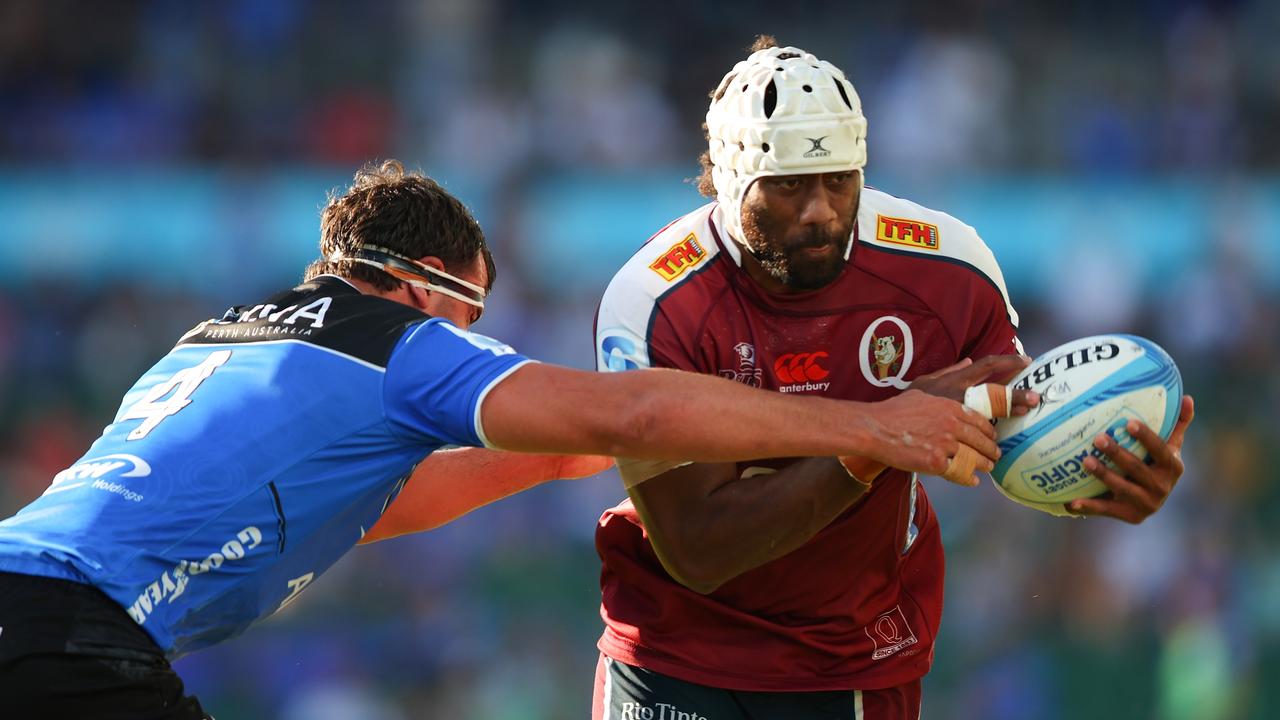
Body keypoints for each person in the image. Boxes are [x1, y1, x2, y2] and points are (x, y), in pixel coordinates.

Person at [0, 160, 1002, 719]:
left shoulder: (217, 338)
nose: (465, 342)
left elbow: (386, 502)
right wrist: (869, 424)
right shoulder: (396, 342)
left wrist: (626, 455)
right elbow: (634, 411)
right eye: (468, 315)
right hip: (67, 641)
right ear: (426, 281)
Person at [590, 38, 1195, 720]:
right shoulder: (655, 301)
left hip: (853, 660)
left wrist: (1108, 476)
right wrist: (878, 437)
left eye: (840, 179)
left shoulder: (949, 269)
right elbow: (698, 548)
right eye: (790, 185)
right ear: (730, 180)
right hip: (676, 652)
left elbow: (1020, 431)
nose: (820, 210)